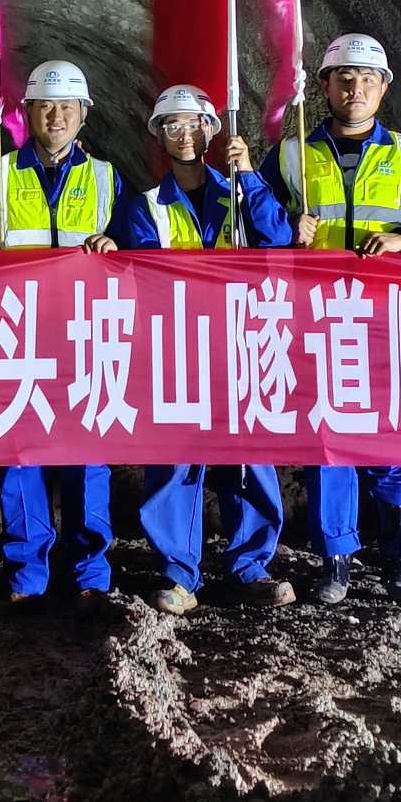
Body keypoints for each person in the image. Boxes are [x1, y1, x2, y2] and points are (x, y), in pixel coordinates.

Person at [266, 33, 401, 605]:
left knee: (398, 438)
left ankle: (399, 567)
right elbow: (254, 225)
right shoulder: (292, 154)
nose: (356, 89)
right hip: (319, 320)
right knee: (331, 443)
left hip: (392, 320)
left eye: (367, 80)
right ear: (324, 87)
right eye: (344, 79)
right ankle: (336, 565)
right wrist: (285, 229)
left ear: (384, 89)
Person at [117, 83, 296, 616]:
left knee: (250, 458)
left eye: (194, 124)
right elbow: (149, 276)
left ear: (211, 131)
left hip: (241, 342)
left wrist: (250, 177)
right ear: (160, 136)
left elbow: (277, 236)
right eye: (172, 126)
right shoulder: (146, 207)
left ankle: (251, 567)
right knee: (176, 462)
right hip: (178, 351)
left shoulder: (240, 192)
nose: (184, 134)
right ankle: (179, 573)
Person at [0, 60, 120, 614]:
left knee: (87, 458)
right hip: (17, 338)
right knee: (22, 457)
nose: (56, 116)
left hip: (85, 337)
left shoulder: (107, 178)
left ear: (83, 115)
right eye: (45, 106)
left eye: (67, 107)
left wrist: (111, 248)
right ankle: (27, 575)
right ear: (26, 113)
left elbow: (129, 255)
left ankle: (89, 574)